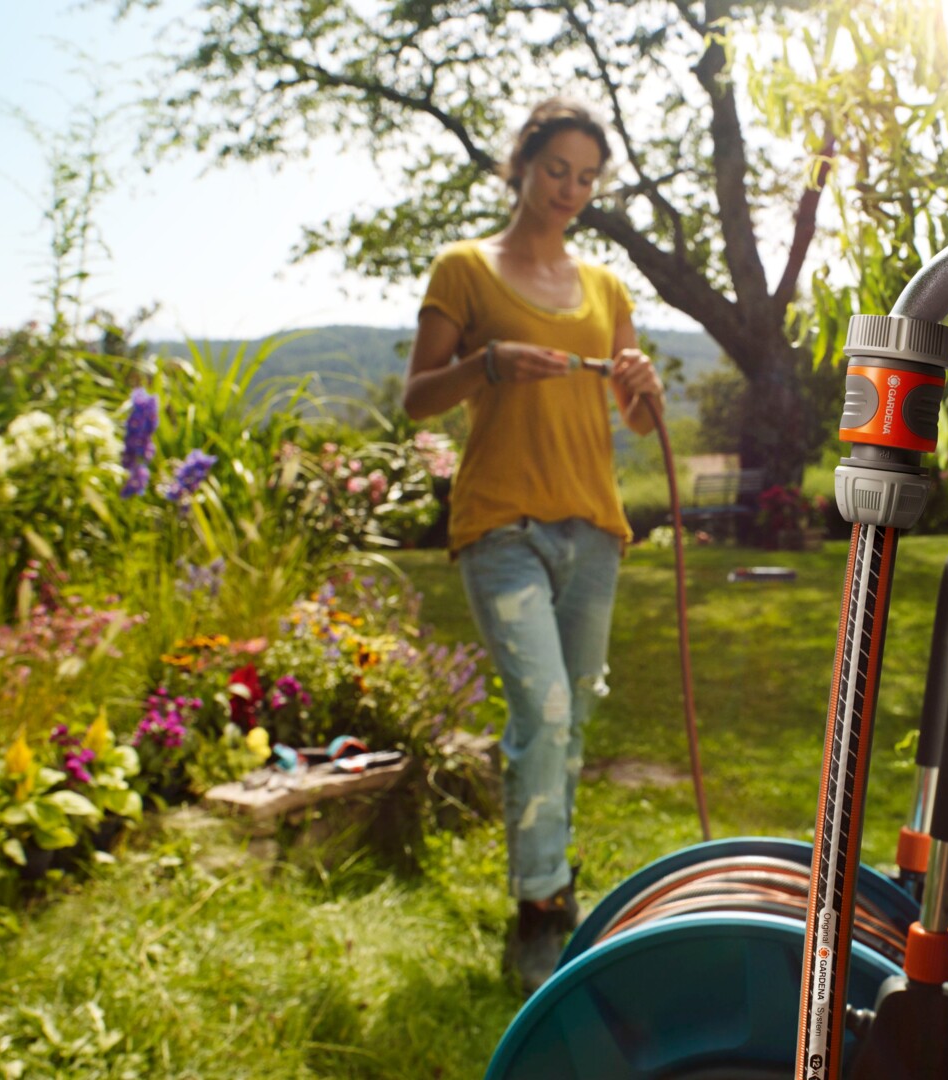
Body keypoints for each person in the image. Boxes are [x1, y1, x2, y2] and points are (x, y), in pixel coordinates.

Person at [401, 98, 664, 992]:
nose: (571, 190)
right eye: (558, 169)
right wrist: (487, 364)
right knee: (545, 708)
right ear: (522, 164)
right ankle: (540, 908)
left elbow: (632, 417)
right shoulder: (464, 269)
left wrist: (639, 382)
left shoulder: (607, 288)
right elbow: (417, 399)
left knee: (573, 716)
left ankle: (553, 878)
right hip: (500, 521)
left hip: (591, 525)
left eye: (588, 177)